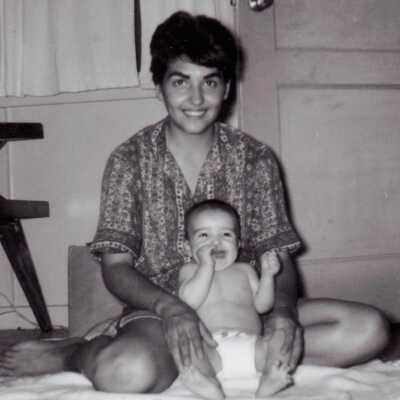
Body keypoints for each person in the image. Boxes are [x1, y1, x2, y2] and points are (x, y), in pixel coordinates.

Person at [0, 10, 389, 400]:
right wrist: (172, 310)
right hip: (159, 312)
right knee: (126, 372)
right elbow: (115, 268)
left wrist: (284, 317)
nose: (197, 99)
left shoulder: (255, 158)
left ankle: (228, 358)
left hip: (245, 306)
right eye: (181, 82)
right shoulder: (129, 160)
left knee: (368, 330)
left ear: (227, 89)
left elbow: (279, 257)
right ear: (159, 88)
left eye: (210, 82)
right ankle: (76, 353)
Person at [179, 199, 292, 397]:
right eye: (204, 235)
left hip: (253, 345)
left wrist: (267, 276)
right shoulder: (189, 271)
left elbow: (263, 306)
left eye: (226, 234)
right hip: (211, 349)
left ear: (238, 244)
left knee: (281, 336)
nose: (216, 242)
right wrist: (206, 266)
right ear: (188, 248)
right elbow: (189, 302)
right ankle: (209, 384)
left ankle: (269, 379)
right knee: (187, 349)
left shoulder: (245, 270)